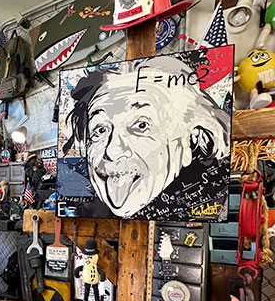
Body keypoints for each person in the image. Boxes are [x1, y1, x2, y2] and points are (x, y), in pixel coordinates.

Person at [61, 57, 231, 219]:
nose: (112, 151)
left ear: (192, 138)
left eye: (141, 126)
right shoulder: (85, 207)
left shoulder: (209, 203)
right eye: (100, 130)